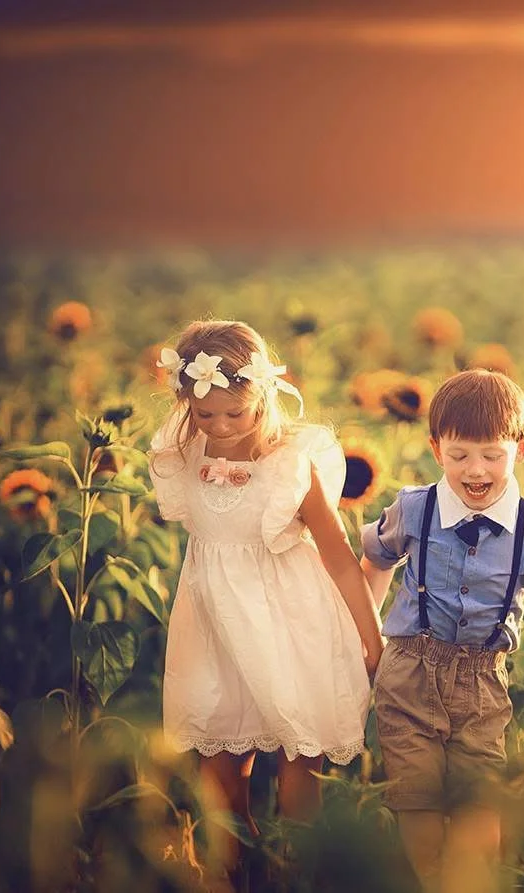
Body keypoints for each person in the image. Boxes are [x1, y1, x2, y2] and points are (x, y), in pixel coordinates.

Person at [360, 369, 524, 892]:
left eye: (492, 454)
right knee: (414, 799)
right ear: (436, 448)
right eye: (460, 455)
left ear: (521, 447)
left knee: (480, 810)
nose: (476, 470)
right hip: (409, 675)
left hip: (482, 686)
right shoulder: (415, 507)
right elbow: (375, 559)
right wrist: (367, 639)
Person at [149, 320, 382, 880]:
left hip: (290, 628)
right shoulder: (182, 453)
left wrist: (370, 638)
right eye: (206, 415)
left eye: (237, 413)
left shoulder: (289, 466)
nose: (221, 426)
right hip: (214, 634)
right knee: (219, 780)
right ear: (185, 402)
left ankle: (301, 876)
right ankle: (234, 875)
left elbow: (340, 559)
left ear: (264, 396)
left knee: (299, 767)